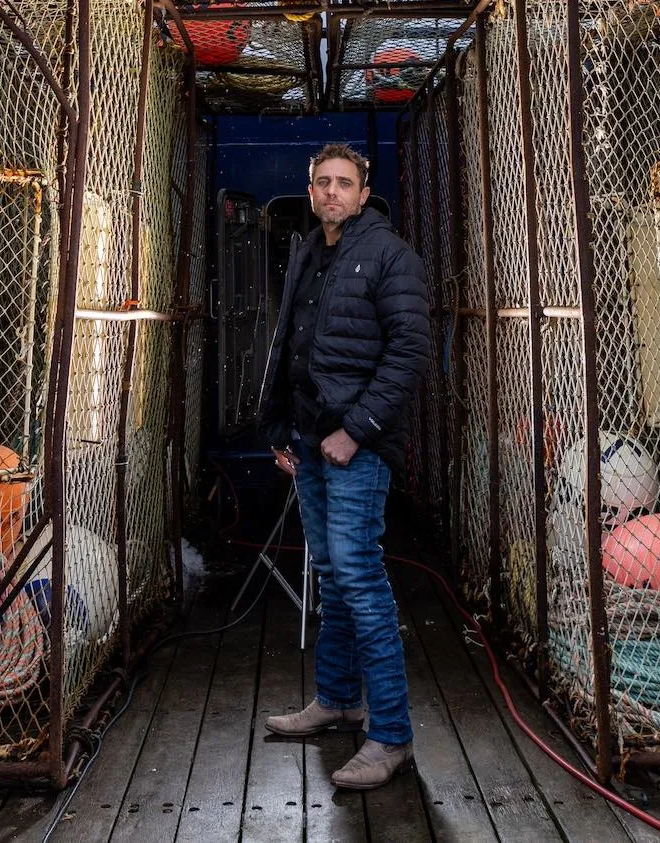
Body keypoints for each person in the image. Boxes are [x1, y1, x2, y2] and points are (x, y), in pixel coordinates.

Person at [256, 143, 431, 791]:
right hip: (307, 442)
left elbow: (410, 351)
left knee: (358, 576)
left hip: (358, 446)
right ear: (311, 191)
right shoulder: (307, 252)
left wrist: (355, 431)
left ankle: (391, 735)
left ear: (363, 193)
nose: (332, 192)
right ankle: (337, 699)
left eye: (344, 183)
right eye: (322, 182)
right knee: (330, 574)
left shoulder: (390, 255)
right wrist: (280, 429)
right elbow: (288, 347)